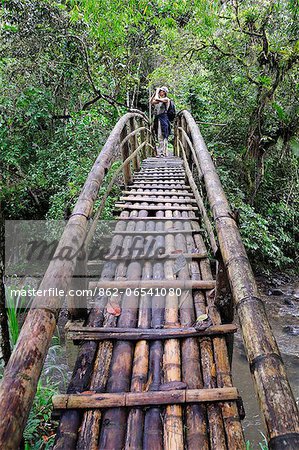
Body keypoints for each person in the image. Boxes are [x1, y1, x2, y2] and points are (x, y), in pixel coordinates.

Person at [150, 86, 171, 157]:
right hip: (158, 119)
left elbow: (156, 99)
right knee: (159, 135)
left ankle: (162, 152)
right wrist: (154, 93)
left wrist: (156, 91)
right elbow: (151, 102)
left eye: (161, 91)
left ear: (164, 92)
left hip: (164, 118)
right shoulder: (159, 100)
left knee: (163, 135)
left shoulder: (166, 99)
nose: (159, 92)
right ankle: (162, 152)